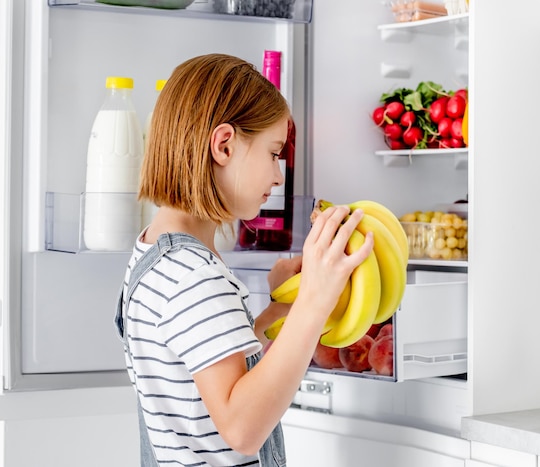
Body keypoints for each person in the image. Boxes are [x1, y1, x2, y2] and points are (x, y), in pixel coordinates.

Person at [114, 53, 373, 467]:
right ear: (224, 145)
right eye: (273, 153)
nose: (277, 176)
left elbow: (206, 371)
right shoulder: (196, 276)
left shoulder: (156, 251)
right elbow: (242, 429)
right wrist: (313, 303)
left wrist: (276, 311)